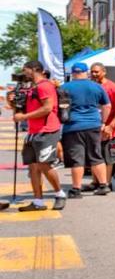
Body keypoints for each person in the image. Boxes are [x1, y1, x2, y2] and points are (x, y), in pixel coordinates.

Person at [5, 61, 67, 211]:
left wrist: (24, 116)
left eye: (25, 70)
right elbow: (21, 107)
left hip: (47, 130)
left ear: (34, 69)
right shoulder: (33, 88)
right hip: (34, 131)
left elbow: (47, 108)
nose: (23, 73)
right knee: (33, 167)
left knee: (44, 164)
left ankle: (59, 194)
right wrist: (12, 101)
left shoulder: (45, 86)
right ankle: (38, 202)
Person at [60, 62, 111, 197]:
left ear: (72, 73)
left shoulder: (65, 87)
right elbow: (107, 106)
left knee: (77, 159)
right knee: (96, 156)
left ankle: (76, 190)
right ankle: (103, 185)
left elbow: (59, 107)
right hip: (93, 125)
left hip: (73, 126)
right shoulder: (96, 87)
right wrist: (103, 122)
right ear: (86, 72)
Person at [90, 63, 115, 188]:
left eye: (97, 72)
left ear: (104, 72)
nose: (94, 74)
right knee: (95, 156)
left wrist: (110, 125)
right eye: (92, 72)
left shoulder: (112, 87)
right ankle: (95, 182)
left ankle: (106, 183)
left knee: (108, 157)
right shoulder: (91, 86)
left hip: (111, 130)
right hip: (94, 129)